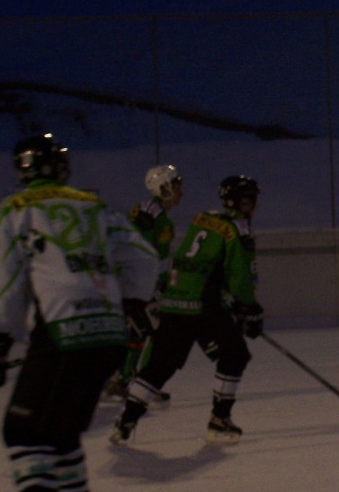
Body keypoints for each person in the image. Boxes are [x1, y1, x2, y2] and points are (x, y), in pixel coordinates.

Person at [0, 133, 158, 492]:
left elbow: (2, 276)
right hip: (109, 334)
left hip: (61, 331)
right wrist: (132, 303)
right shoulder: (95, 206)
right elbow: (143, 256)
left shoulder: (14, 208)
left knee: (21, 431)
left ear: (23, 169)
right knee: (60, 433)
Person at [111, 174, 264, 446]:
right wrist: (249, 308)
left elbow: (194, 263)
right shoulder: (237, 229)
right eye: (252, 200)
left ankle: (126, 419)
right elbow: (240, 276)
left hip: (174, 301)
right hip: (202, 306)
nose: (255, 205)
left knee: (161, 364)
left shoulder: (202, 218)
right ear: (244, 202)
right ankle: (219, 420)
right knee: (235, 355)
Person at [101, 163, 184, 402]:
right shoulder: (150, 213)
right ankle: (139, 381)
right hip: (140, 284)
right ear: (162, 188)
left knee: (140, 332)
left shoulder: (159, 216)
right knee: (158, 333)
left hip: (145, 283)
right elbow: (138, 248)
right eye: (175, 186)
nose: (180, 192)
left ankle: (127, 380)